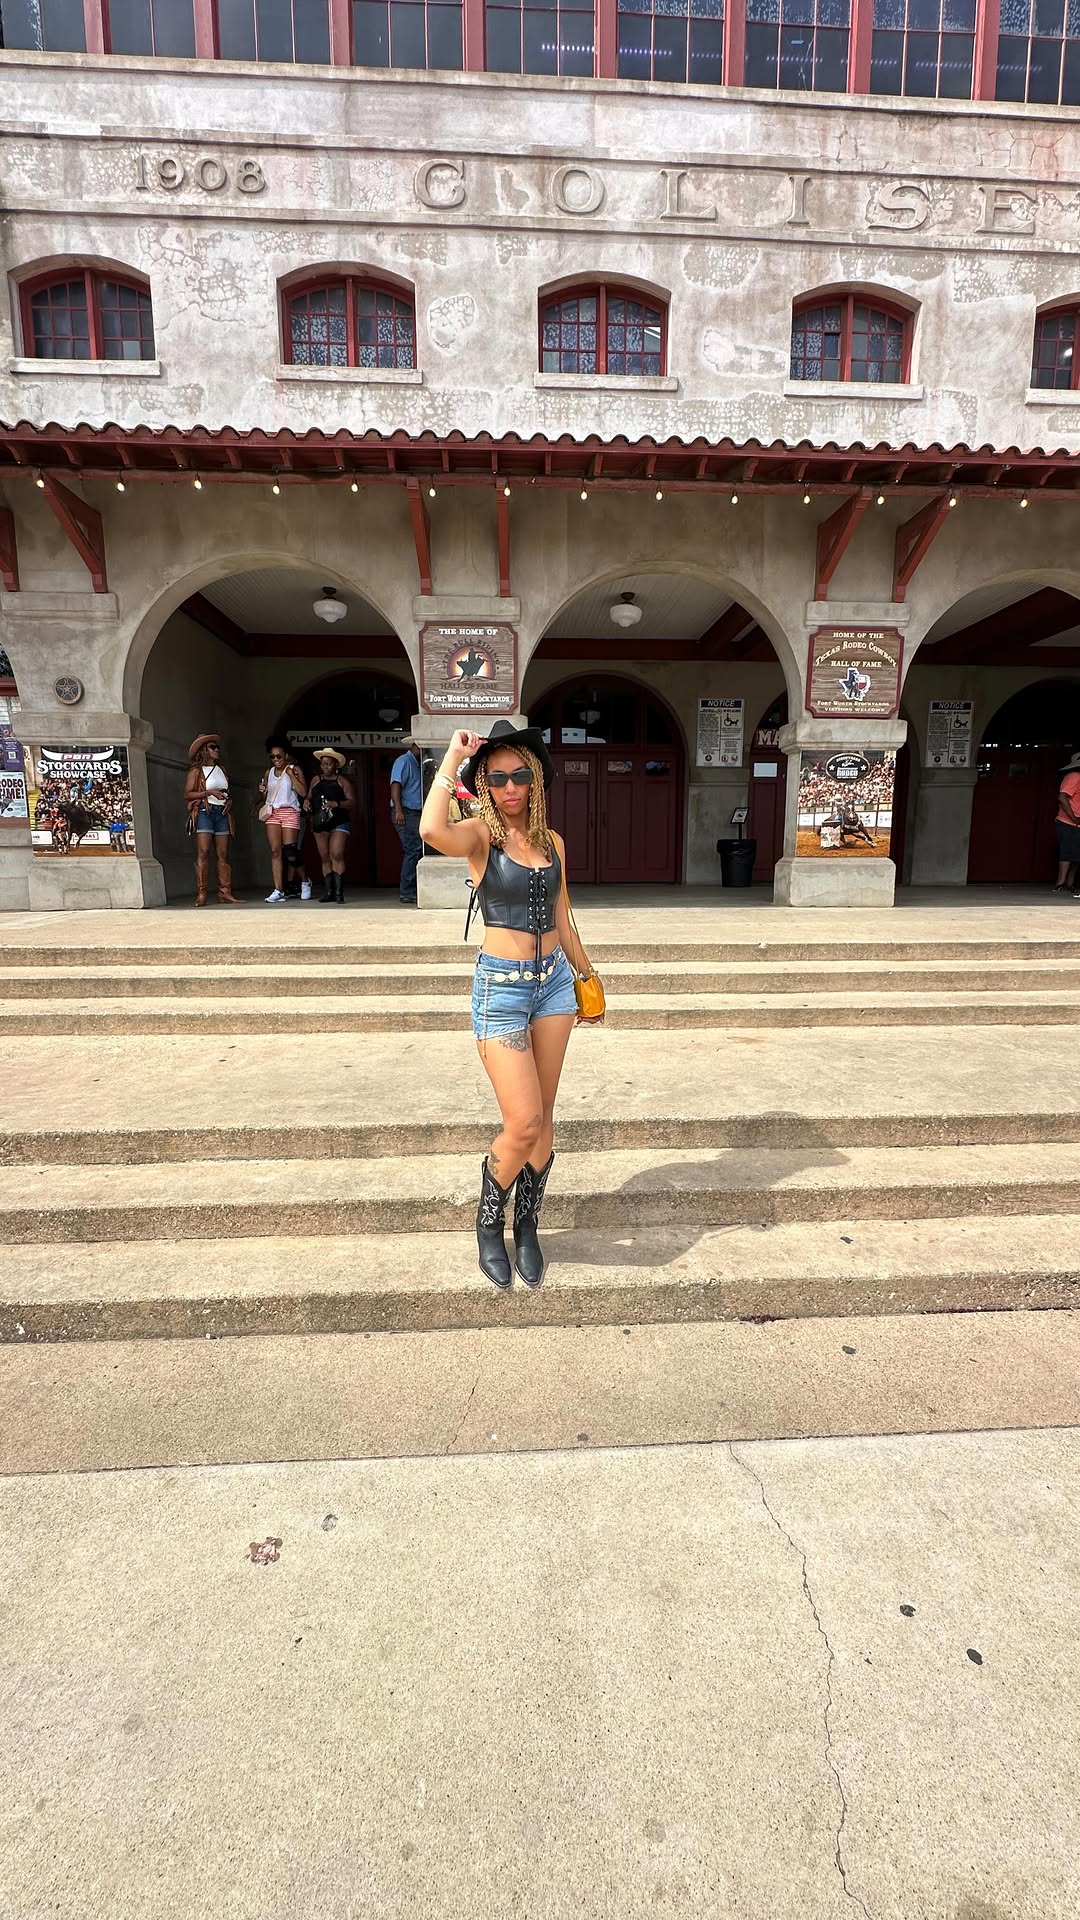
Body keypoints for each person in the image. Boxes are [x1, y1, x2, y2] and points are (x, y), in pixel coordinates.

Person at [419, 719, 599, 1292]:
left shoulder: (553, 843)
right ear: (485, 785)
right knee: (522, 1122)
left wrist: (587, 974)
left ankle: (528, 1224)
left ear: (536, 779)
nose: (510, 787)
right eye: (497, 778)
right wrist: (452, 757)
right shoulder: (479, 836)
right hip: (502, 989)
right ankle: (488, 1222)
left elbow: (563, 914)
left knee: (544, 1119)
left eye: (520, 775)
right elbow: (430, 828)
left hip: (554, 989)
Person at [184, 733, 239, 906]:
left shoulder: (221, 770)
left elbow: (227, 792)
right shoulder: (196, 771)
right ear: (204, 751)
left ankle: (225, 892)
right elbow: (187, 794)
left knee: (223, 854)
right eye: (212, 747)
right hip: (204, 812)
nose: (217, 750)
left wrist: (229, 801)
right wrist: (208, 793)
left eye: (217, 747)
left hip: (222, 812)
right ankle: (202, 894)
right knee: (204, 852)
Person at [258, 736, 308, 905]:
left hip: (289, 811)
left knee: (290, 851)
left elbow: (303, 792)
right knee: (275, 851)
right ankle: (278, 890)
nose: (276, 759)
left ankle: (305, 880)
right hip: (272, 812)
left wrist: (291, 776)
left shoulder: (294, 770)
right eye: (272, 756)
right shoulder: (269, 773)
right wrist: (262, 791)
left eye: (278, 756)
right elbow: (265, 797)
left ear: (286, 755)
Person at [306, 748, 355, 904]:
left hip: (339, 821)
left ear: (336, 765)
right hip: (320, 821)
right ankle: (329, 892)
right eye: (323, 764)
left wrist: (337, 803)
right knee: (325, 856)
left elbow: (352, 802)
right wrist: (306, 802)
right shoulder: (315, 780)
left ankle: (339, 893)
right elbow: (308, 796)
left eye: (328, 764)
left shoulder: (342, 781)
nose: (325, 767)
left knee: (336, 854)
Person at [390, 737, 424, 905]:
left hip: (416, 812)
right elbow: (395, 785)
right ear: (416, 745)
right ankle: (407, 891)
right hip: (406, 811)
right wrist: (398, 810)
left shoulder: (418, 763)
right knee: (413, 849)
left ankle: (412, 889)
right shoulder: (403, 761)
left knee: (416, 850)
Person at [1055, 749, 1080, 894]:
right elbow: (1062, 797)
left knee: (1076, 855)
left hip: (1077, 822)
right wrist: (1073, 817)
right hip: (1068, 822)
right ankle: (1061, 882)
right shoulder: (1074, 776)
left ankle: (1070, 883)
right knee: (1067, 853)